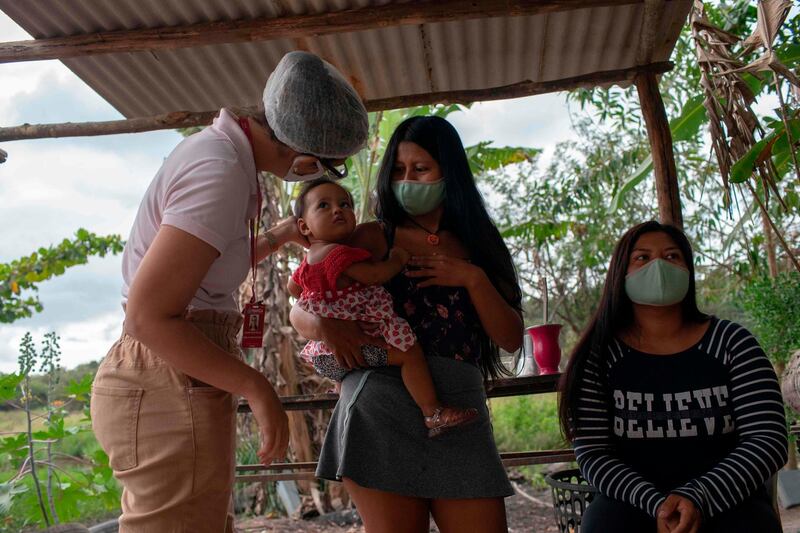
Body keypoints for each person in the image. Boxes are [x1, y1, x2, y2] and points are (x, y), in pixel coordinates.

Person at [90, 51, 369, 532]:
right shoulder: (218, 172)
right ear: (304, 157)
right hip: (166, 378)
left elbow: (202, 271)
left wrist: (277, 237)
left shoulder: (221, 157)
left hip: (175, 376)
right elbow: (148, 316)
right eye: (330, 169)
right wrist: (255, 386)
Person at [289, 116, 524, 532]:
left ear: (448, 171)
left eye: (421, 169)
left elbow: (508, 338)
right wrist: (326, 328)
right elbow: (302, 302)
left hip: (459, 414)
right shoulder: (373, 237)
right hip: (380, 410)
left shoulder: (480, 243)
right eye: (398, 170)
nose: (408, 179)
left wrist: (472, 277)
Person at [558, 221, 788, 533]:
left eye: (671, 257)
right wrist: (657, 504)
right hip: (632, 505)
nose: (658, 266)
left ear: (689, 271)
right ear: (620, 274)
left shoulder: (734, 344)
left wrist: (698, 496)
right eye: (642, 257)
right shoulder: (599, 357)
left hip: (727, 501)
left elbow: (767, 440)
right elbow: (594, 455)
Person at [288, 177, 478, 437]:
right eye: (323, 205)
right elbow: (375, 276)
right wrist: (397, 259)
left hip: (325, 356)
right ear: (304, 227)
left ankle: (341, 389)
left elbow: (294, 290)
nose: (337, 210)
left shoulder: (306, 263)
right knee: (409, 353)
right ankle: (433, 412)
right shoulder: (338, 254)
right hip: (358, 344)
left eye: (344, 204)